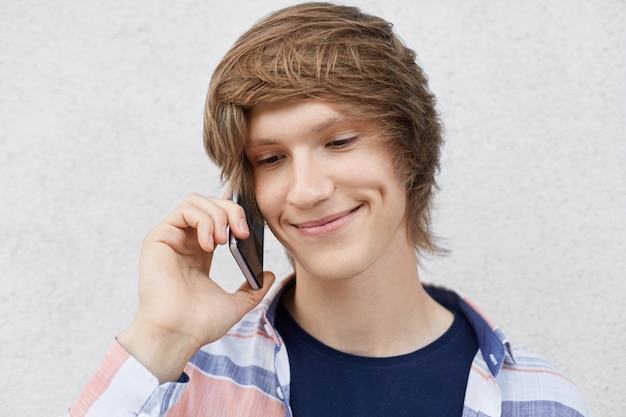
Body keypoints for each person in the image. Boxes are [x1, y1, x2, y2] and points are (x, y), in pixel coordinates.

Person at [67, 2, 591, 416]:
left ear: (410, 150)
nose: (306, 191)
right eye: (270, 158)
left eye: (339, 141)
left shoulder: (541, 400)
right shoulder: (183, 383)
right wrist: (161, 338)